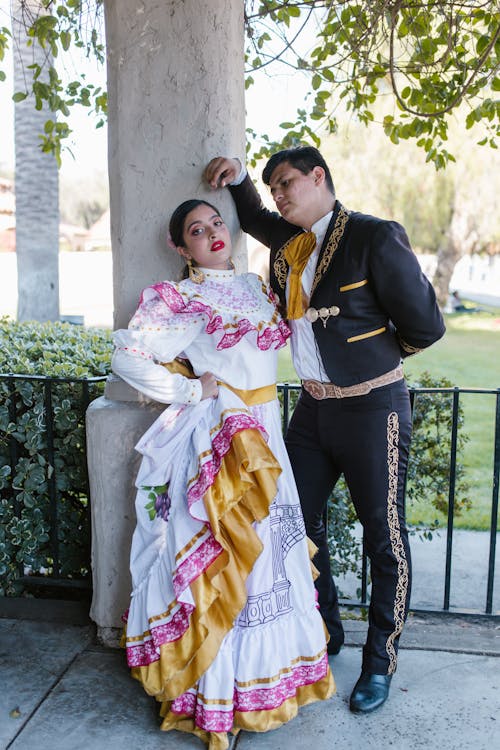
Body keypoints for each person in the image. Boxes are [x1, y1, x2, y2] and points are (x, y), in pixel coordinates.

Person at [204, 148, 446, 714]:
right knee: (295, 521)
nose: (280, 194)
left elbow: (427, 326)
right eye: (274, 187)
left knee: (383, 537)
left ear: (319, 178)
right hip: (312, 413)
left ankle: (379, 663)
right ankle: (327, 629)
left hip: (373, 408)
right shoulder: (289, 245)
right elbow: (259, 220)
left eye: (286, 183)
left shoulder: (374, 237)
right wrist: (241, 181)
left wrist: (374, 363)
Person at [111, 199, 334, 750]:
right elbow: (128, 357)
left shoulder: (259, 289)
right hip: (222, 439)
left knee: (267, 565)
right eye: (196, 229)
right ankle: (217, 701)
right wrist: (191, 389)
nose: (211, 234)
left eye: (216, 223)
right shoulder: (181, 299)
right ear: (179, 246)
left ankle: (262, 688)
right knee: (224, 565)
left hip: (267, 437)